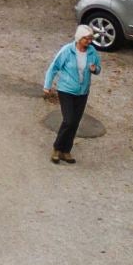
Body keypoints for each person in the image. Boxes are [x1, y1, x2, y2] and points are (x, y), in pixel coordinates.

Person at [43, 24, 104, 164]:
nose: (89, 41)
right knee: (68, 120)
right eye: (87, 39)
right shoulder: (67, 51)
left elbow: (99, 69)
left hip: (83, 92)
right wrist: (47, 85)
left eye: (90, 39)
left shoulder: (92, 52)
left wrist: (95, 69)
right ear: (79, 38)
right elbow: (54, 67)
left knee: (75, 122)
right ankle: (57, 148)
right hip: (66, 90)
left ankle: (66, 151)